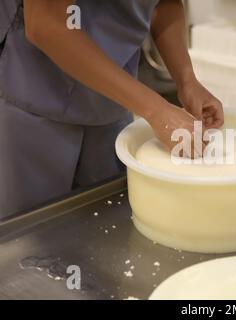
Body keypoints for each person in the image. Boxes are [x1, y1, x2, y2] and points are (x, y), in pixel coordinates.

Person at [0, 0, 223, 219]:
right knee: (32, 237)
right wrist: (156, 110)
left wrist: (186, 80)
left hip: (112, 99)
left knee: (105, 221)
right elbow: (46, 23)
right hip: (35, 99)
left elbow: (162, 4)